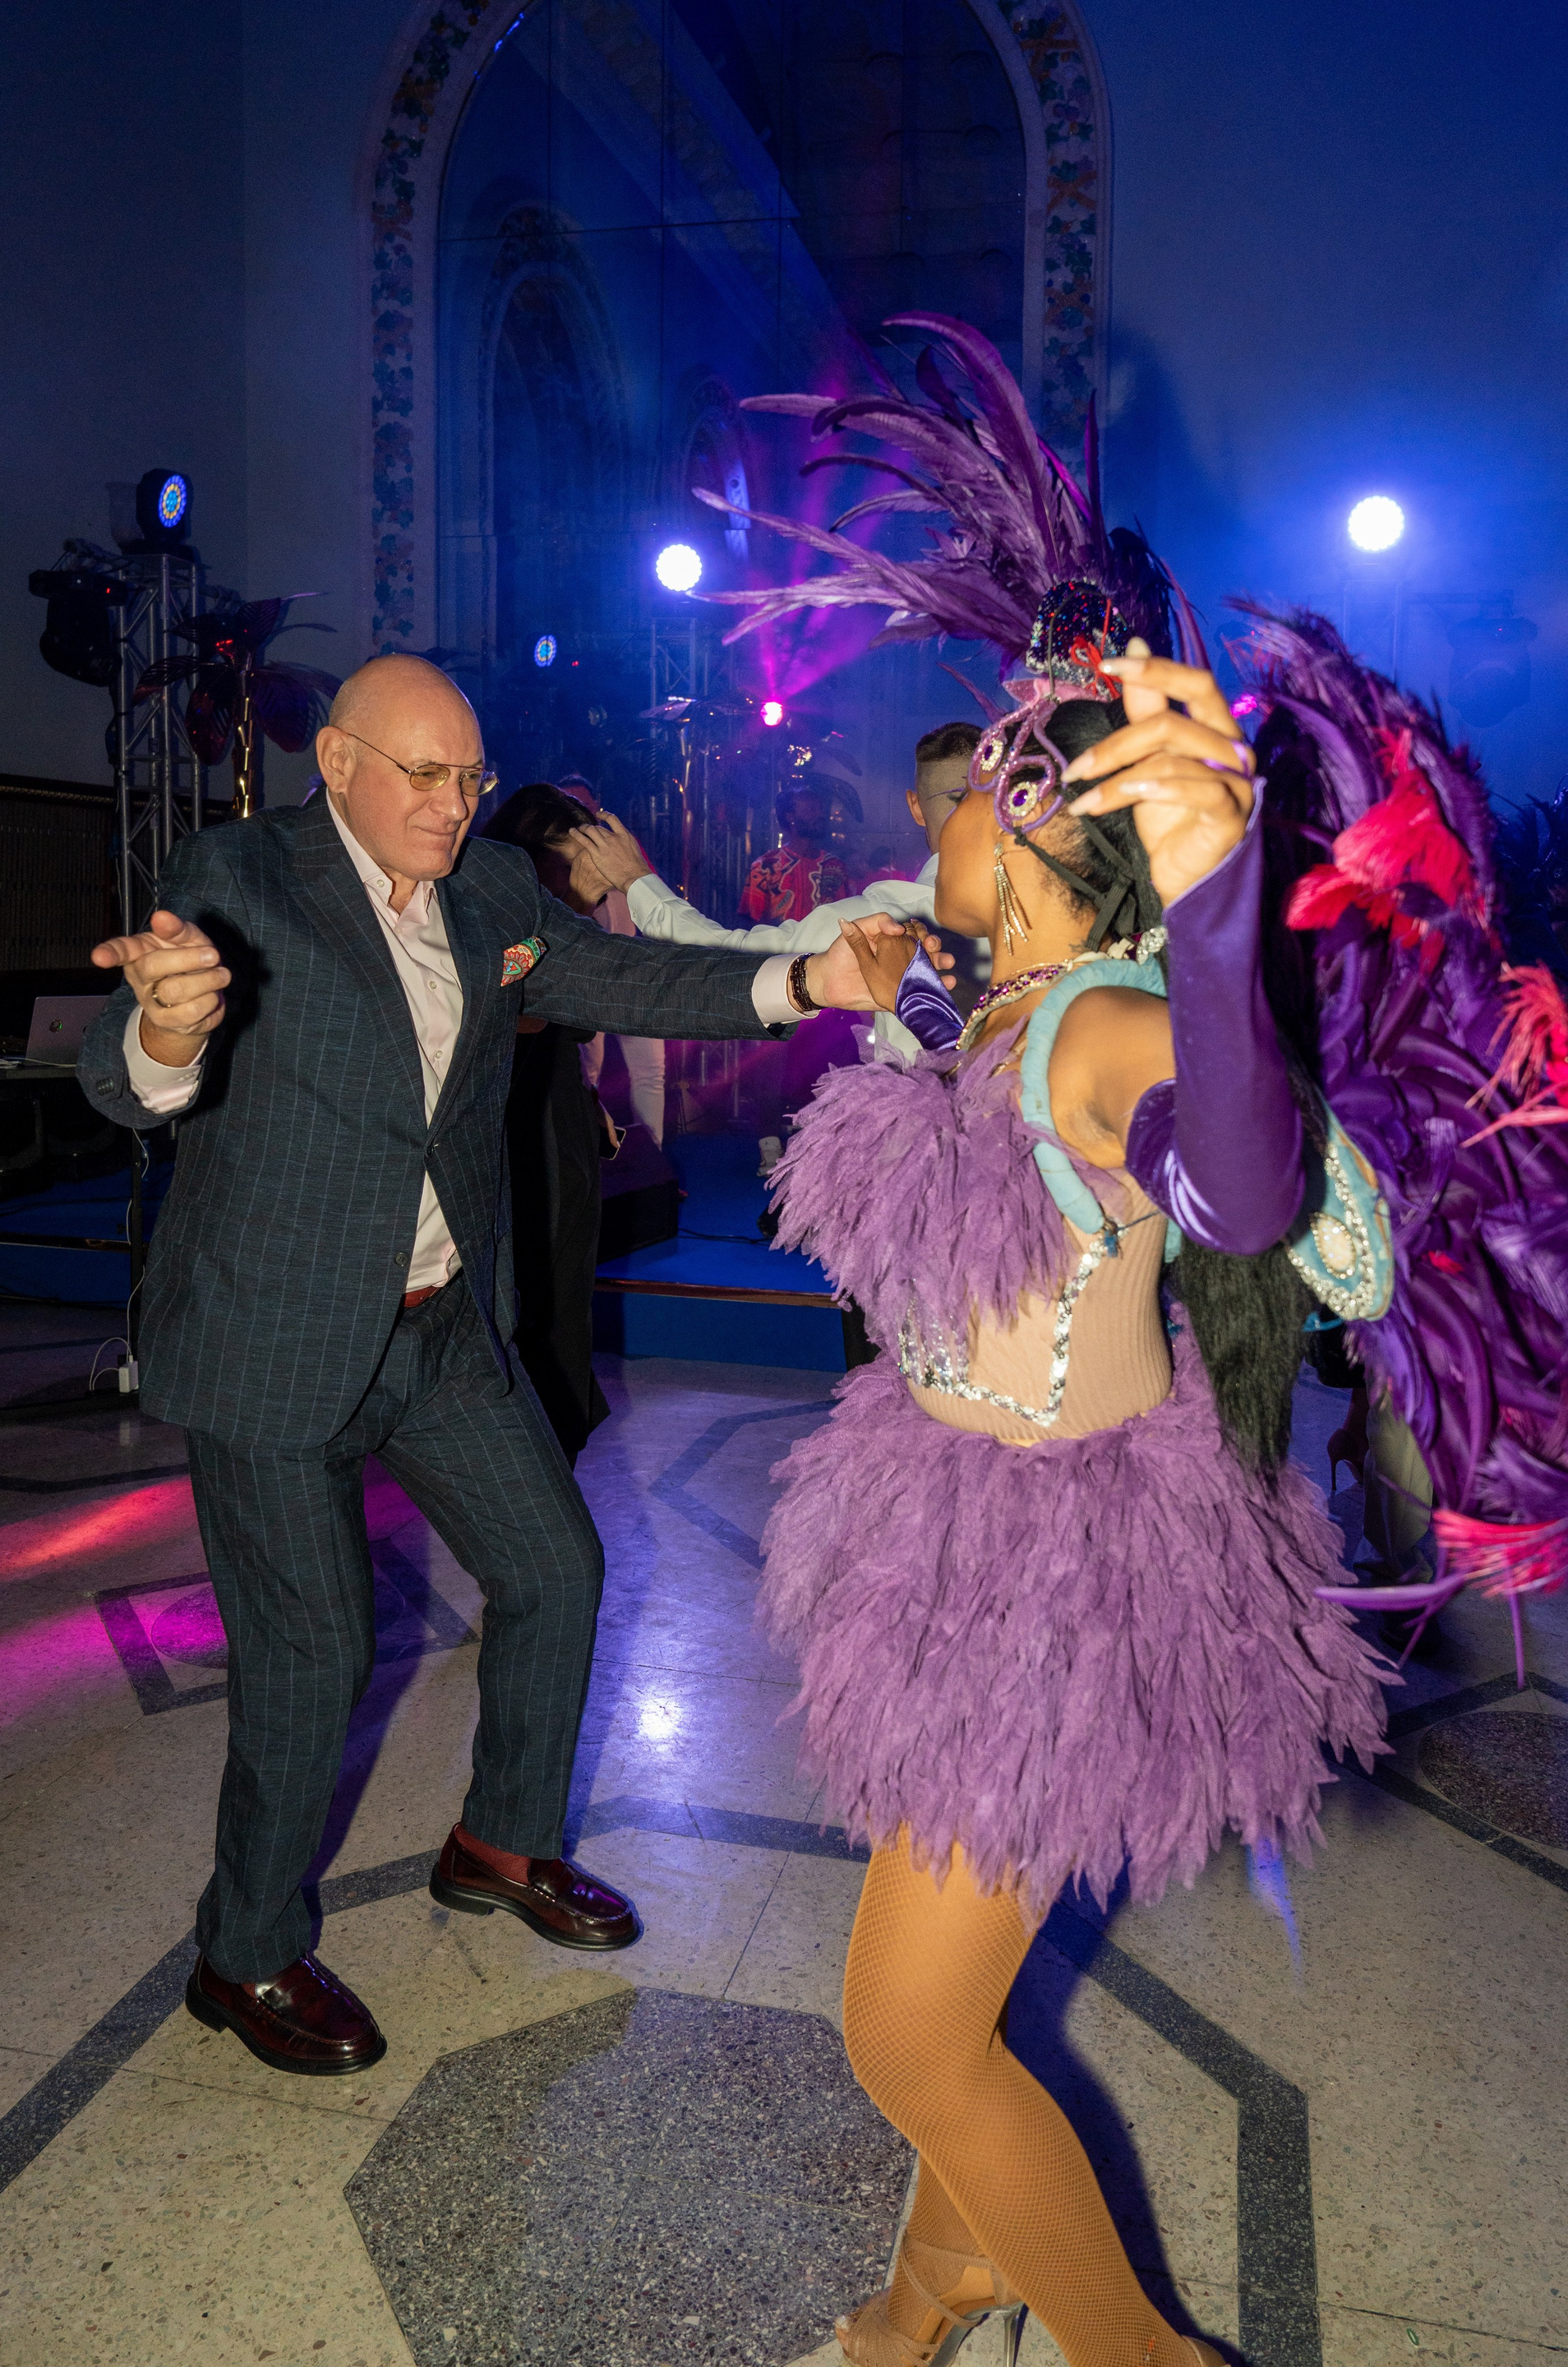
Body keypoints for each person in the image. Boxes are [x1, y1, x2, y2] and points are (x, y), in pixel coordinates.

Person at [706, 310, 1568, 2367]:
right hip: (933, 1520)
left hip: (1050, 1575)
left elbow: (1248, 1197)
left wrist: (1213, 906)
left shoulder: (1102, 1019)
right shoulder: (993, 1002)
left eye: (963, 789)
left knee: (904, 2030)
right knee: (959, 1984)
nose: (930, 809)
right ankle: (940, 2278)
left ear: (1037, 830)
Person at [75, 653, 895, 2079]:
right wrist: (166, 1025)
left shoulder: (494, 892)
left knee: (556, 1573)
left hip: (443, 1324)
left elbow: (619, 971)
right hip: (274, 1333)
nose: (454, 805)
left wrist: (805, 978)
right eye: (423, 775)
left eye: (470, 779)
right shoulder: (243, 876)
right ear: (338, 764)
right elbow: (129, 1069)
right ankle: (242, 1949)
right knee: (314, 1654)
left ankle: (498, 1844)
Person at [568, 719, 984, 1065]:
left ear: (914, 807)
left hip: (901, 1115)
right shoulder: (773, 868)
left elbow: (720, 958)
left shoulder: (879, 915)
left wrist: (635, 878)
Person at [480, 782, 614, 1465]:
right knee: (528, 1289)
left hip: (557, 1108)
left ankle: (557, 1435)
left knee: (565, 1289)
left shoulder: (558, 910)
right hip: (509, 1117)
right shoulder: (486, 900)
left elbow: (585, 1014)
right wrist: (577, 909)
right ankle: (530, 1447)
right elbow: (511, 995)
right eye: (570, 858)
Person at [554, 772, 666, 1148]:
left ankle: (653, 1163)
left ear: (596, 806)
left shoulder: (620, 847)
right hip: (586, 979)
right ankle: (594, 1161)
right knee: (586, 1073)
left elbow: (653, 899)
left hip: (634, 974)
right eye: (568, 804)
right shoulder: (552, 855)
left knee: (650, 1072)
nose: (578, 812)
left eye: (583, 804)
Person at [737, 777, 851, 922]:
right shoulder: (765, 867)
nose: (820, 815)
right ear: (790, 817)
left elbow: (846, 919)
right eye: (812, 809)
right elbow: (750, 923)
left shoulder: (835, 866)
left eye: (821, 809)